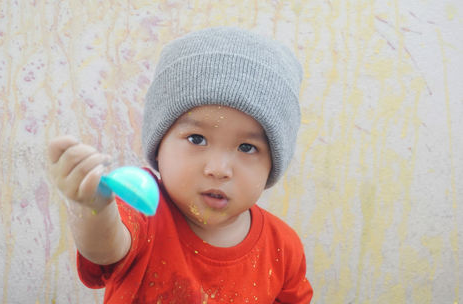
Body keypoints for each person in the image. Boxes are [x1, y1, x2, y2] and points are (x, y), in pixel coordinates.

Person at [48, 26, 313, 303]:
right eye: (197, 139)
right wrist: (92, 207)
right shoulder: (143, 205)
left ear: (272, 165)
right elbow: (104, 249)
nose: (219, 168)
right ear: (159, 144)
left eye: (247, 147)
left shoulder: (283, 247)